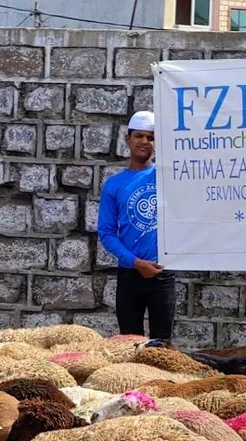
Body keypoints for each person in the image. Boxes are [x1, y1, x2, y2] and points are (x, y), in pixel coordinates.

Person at [97, 110, 174, 345]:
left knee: (162, 346)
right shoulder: (114, 184)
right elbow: (107, 232)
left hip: (162, 273)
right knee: (129, 344)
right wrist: (136, 263)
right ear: (127, 139)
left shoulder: (168, 177)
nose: (144, 142)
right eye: (139, 136)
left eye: (151, 137)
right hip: (130, 275)